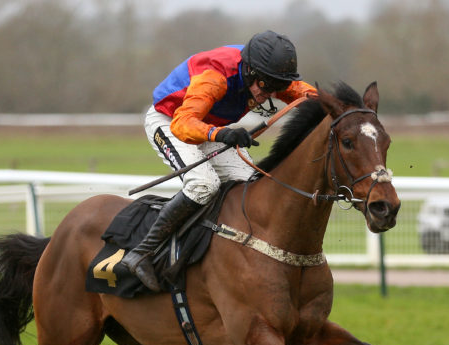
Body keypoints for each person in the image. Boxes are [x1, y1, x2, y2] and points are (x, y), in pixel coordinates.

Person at [120, 30, 318, 291]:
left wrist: (339, 107)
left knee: (251, 186)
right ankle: (141, 253)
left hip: (209, 125)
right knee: (203, 184)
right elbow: (183, 124)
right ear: (249, 72)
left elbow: (306, 94)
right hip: (171, 122)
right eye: (266, 86)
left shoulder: (266, 74)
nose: (268, 94)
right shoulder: (215, 76)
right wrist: (221, 133)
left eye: (276, 88)